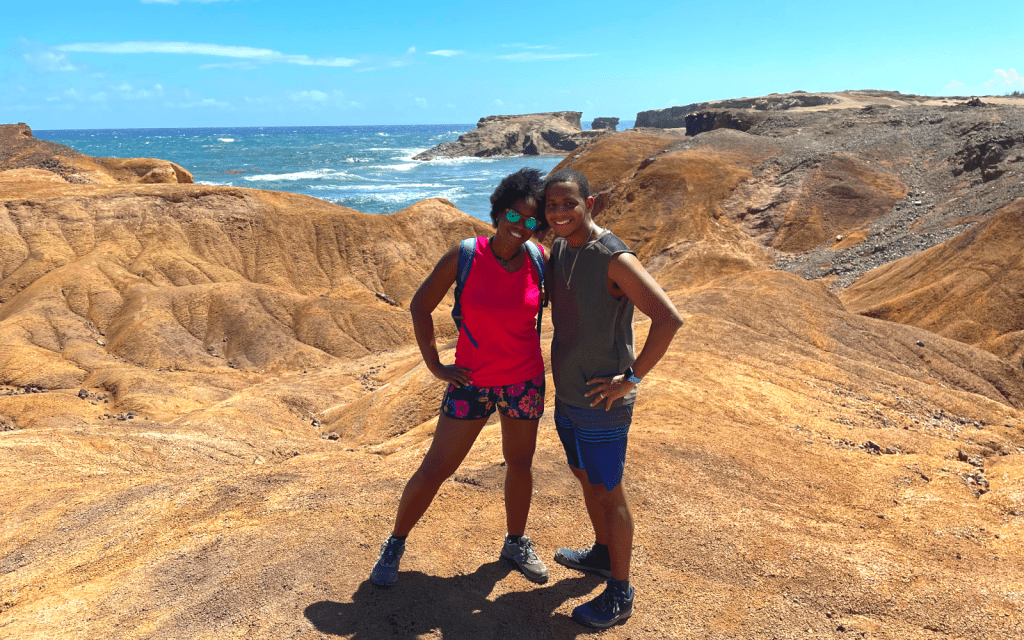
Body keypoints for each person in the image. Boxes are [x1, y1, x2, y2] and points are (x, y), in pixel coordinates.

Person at [370, 168, 550, 587]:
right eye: (514, 215)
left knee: (520, 463)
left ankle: (515, 541)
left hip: (524, 382)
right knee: (437, 467)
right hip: (472, 383)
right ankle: (395, 542)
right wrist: (435, 365)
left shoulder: (540, 260)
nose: (520, 227)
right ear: (499, 211)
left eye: (530, 220)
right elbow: (420, 306)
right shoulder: (466, 255)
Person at [544, 168, 683, 628]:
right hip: (568, 397)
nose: (560, 212)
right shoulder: (560, 248)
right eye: (553, 205)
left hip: (603, 405)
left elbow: (668, 319)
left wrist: (631, 378)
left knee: (608, 490)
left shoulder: (614, 258)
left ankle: (620, 593)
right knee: (585, 478)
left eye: (570, 203)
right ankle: (603, 555)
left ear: (590, 203)